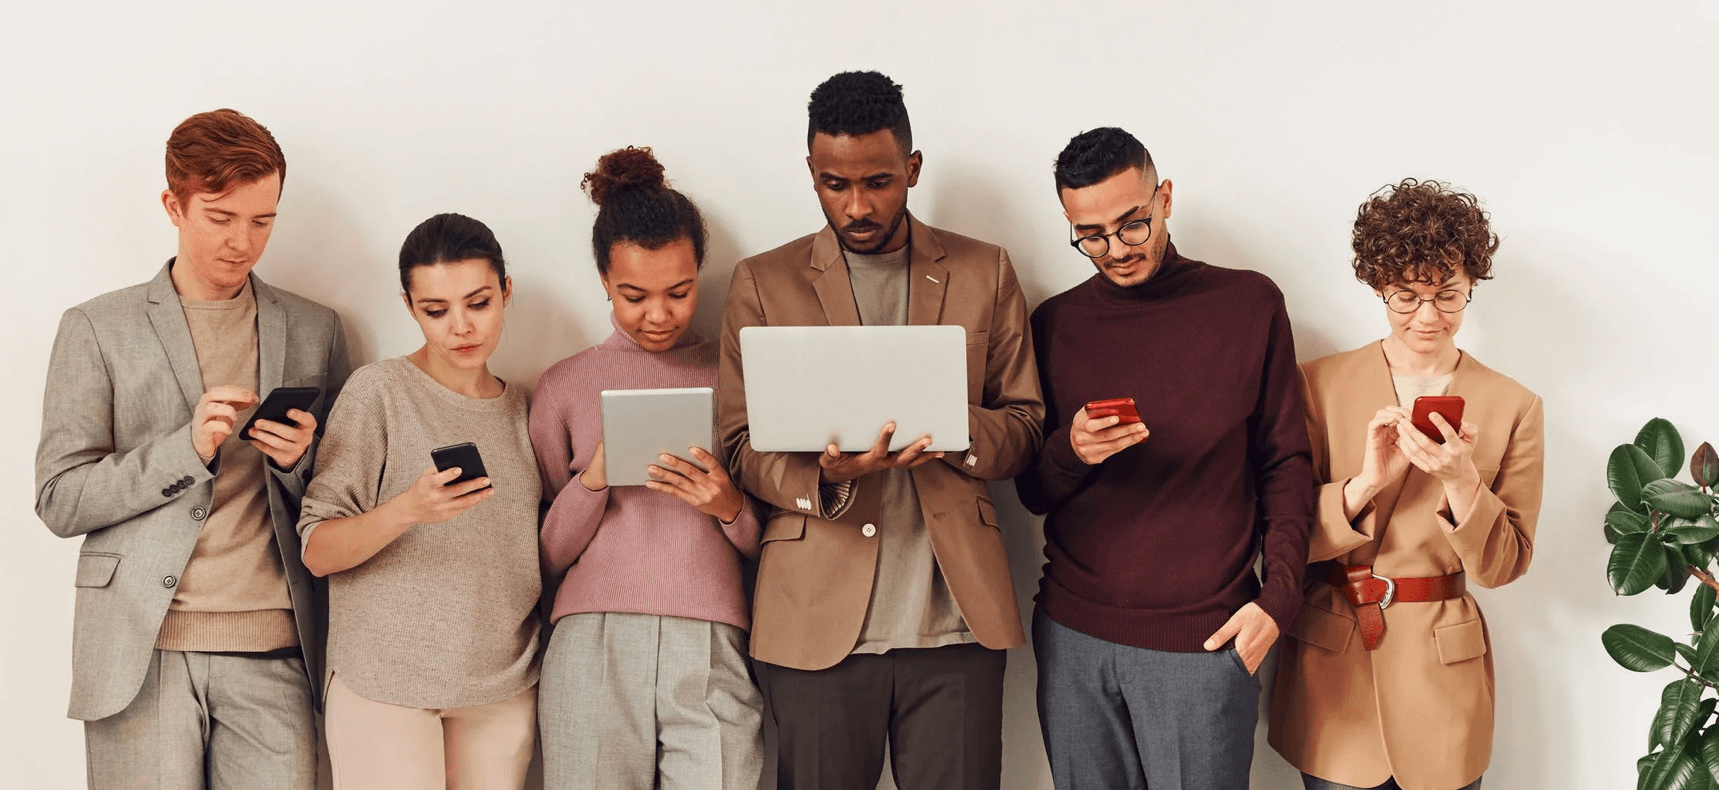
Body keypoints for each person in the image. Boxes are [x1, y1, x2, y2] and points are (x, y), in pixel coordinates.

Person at [717, 71, 1043, 790]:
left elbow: (1024, 429)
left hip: (956, 622)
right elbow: (739, 446)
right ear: (810, 173)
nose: (857, 205)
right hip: (814, 620)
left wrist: (951, 429)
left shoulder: (982, 270)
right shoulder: (762, 282)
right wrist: (826, 477)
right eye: (834, 184)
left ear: (912, 169)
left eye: (878, 181)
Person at [34, 108, 348, 790]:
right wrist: (184, 451)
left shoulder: (316, 329)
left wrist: (299, 462)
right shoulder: (96, 328)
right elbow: (59, 499)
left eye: (263, 220)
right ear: (172, 205)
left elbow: (341, 496)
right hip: (140, 652)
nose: (244, 242)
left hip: (277, 649)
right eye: (220, 216)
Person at [1015, 126, 1315, 789]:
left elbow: (1285, 464)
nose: (1115, 250)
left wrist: (1278, 600)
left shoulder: (1247, 304)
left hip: (1204, 641)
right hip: (1072, 635)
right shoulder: (1053, 324)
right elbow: (1031, 491)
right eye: (1089, 235)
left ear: (1165, 198)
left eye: (1131, 225)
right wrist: (1070, 451)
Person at [1268, 179, 1543, 790]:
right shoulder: (1316, 384)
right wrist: (1364, 484)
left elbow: (1506, 566)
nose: (1428, 316)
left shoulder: (1515, 404)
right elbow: (1281, 538)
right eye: (1405, 296)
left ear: (1472, 282)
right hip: (1334, 666)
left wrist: (1462, 481)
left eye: (1447, 294)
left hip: (1445, 676)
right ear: (1377, 285)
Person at [529, 146, 765, 790]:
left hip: (714, 637)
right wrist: (595, 480)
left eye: (679, 293)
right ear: (604, 280)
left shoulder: (736, 377)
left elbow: (774, 539)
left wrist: (727, 505)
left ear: (700, 278)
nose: (658, 315)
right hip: (592, 641)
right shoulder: (563, 387)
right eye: (634, 295)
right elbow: (545, 553)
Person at [297, 213, 541, 790]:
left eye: (478, 303)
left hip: (501, 686)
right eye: (436, 311)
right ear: (410, 307)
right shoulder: (378, 392)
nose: (461, 327)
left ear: (506, 291)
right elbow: (316, 550)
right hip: (384, 687)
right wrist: (407, 509)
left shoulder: (528, 410)